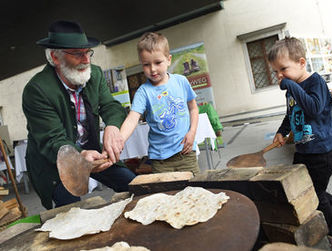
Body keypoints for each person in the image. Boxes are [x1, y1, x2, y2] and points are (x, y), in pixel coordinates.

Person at [22, 20, 135, 210]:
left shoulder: (95, 75)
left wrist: (113, 127)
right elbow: (52, 140)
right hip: (55, 162)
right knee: (71, 212)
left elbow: (111, 106)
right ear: (55, 58)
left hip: (93, 152)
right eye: (77, 54)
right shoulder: (37, 90)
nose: (86, 60)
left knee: (134, 186)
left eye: (88, 52)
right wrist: (80, 155)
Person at [268, 37, 332, 242]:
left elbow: (313, 108)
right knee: (304, 189)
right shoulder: (292, 89)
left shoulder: (316, 82)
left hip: (322, 152)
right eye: (276, 72)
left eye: (283, 69)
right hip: (303, 151)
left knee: (314, 195)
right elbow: (291, 113)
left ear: (301, 63)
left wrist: (290, 84)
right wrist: (282, 131)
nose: (280, 76)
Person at [120, 32, 200, 175]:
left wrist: (192, 132)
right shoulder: (143, 92)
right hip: (160, 160)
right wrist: (119, 141)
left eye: (158, 63)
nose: (153, 69)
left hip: (186, 154)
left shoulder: (181, 81)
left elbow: (193, 108)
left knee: (194, 190)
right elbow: (132, 118)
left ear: (168, 60)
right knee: (166, 195)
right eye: (146, 64)